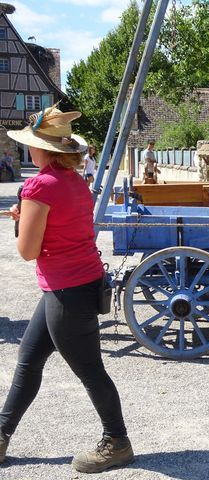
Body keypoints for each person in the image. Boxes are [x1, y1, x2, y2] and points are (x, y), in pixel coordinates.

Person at [0, 106, 134, 473]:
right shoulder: (74, 180)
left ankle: (117, 442)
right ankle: (1, 434)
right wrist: (27, 216)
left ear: (41, 149)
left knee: (90, 370)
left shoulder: (39, 184)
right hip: (75, 284)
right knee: (28, 360)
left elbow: (28, 252)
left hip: (67, 290)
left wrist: (25, 219)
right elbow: (62, 225)